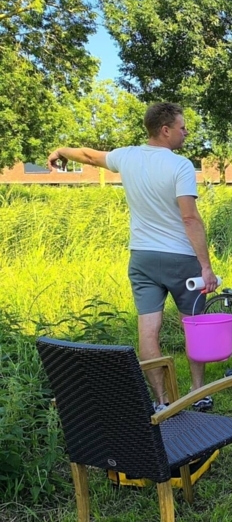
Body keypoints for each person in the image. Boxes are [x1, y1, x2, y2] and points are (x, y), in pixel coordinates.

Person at [47, 103, 219, 412]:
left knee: (148, 329)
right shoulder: (180, 165)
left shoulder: (126, 156)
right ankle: (199, 392)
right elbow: (190, 219)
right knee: (194, 325)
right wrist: (206, 267)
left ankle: (161, 400)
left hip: (142, 258)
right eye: (182, 127)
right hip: (181, 259)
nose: (186, 132)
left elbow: (88, 156)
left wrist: (61, 150)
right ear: (165, 130)